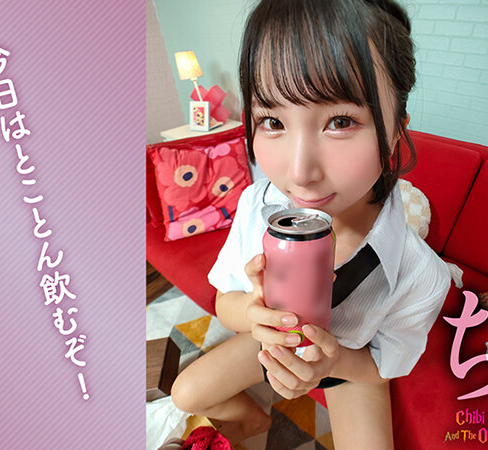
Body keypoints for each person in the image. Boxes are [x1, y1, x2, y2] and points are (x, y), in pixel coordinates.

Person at [170, 0, 451, 447]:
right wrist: (255, 314)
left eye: (340, 121)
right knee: (184, 393)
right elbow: (226, 302)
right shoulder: (257, 205)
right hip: (271, 342)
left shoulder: (420, 274)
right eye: (272, 121)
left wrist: (330, 362)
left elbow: (381, 366)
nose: (299, 173)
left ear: (395, 132)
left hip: (348, 361)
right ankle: (253, 422)